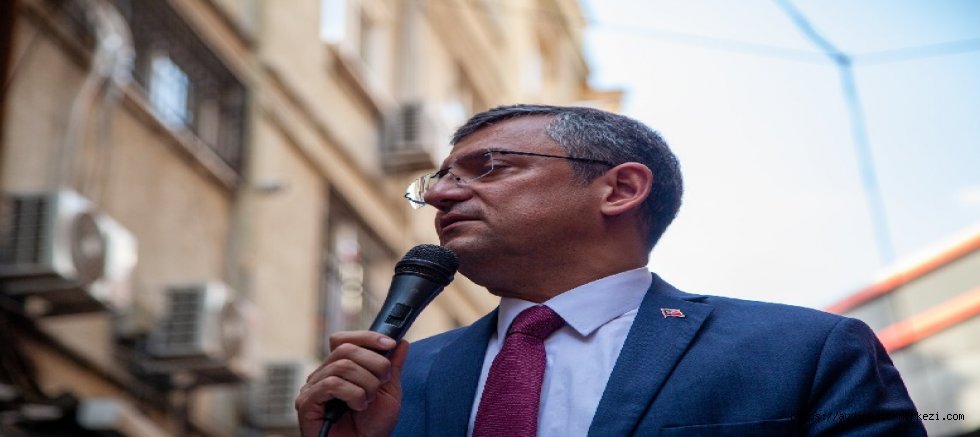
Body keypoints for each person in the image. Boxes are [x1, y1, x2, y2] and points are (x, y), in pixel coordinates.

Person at [295, 104, 925, 436]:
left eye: (487, 168)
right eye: (436, 180)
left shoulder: (803, 352)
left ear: (619, 189)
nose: (438, 195)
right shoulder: (394, 381)